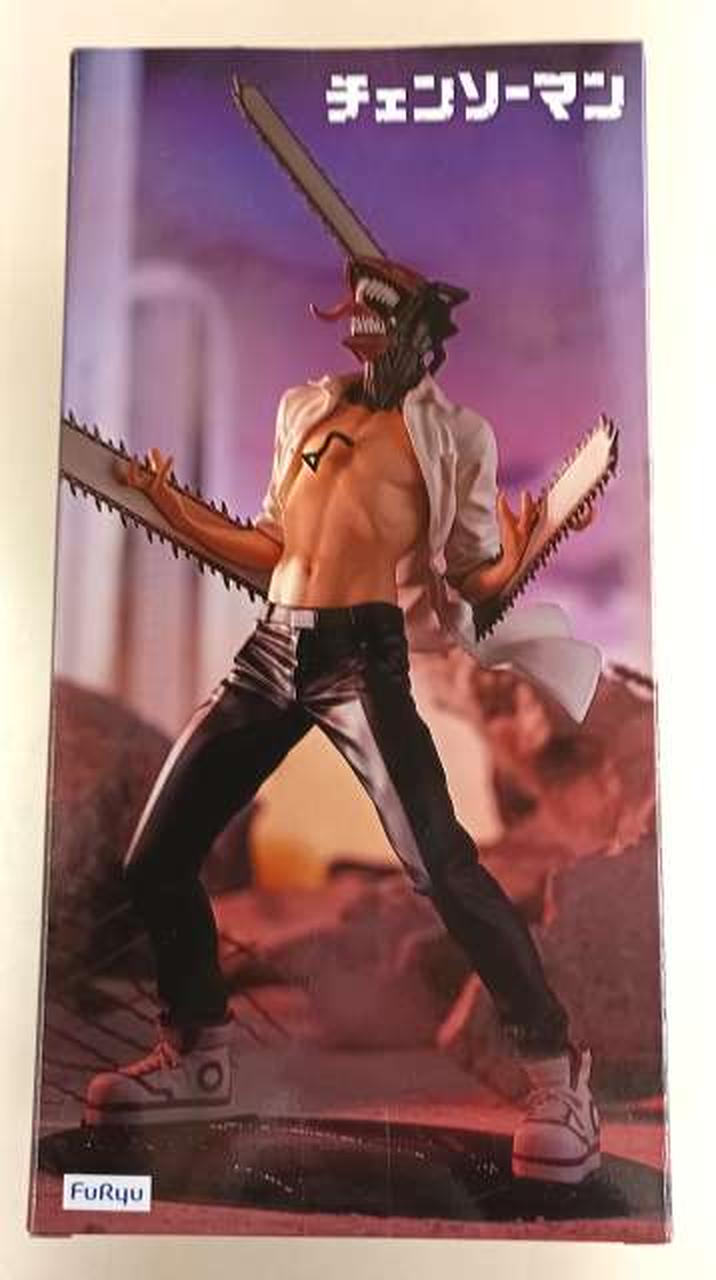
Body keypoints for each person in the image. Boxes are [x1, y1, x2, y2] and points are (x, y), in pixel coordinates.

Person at [84, 256, 600, 1185]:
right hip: (270, 647)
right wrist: (168, 505)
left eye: (378, 319)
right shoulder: (307, 409)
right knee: (156, 855)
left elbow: (474, 576)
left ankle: (556, 1074)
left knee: (441, 867)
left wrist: (520, 551)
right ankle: (198, 1053)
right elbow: (269, 544)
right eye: (354, 317)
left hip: (362, 657)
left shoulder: (454, 435)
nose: (358, 331)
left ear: (421, 336)